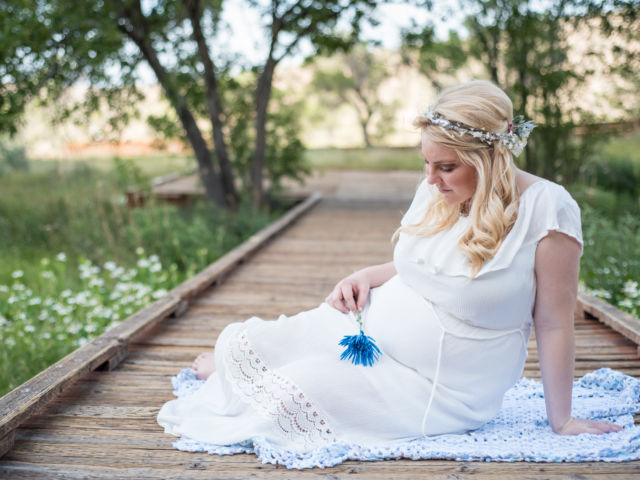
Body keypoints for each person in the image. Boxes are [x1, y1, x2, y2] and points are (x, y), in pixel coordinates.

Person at [157, 80, 621, 454]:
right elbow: (423, 263)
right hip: (369, 336)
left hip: (438, 387)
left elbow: (556, 323)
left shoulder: (549, 209)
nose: (430, 178)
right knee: (250, 342)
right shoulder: (440, 190)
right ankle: (242, 369)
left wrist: (562, 419)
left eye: (445, 167)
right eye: (425, 163)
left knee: (290, 394)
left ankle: (260, 379)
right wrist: (367, 276)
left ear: (490, 159)